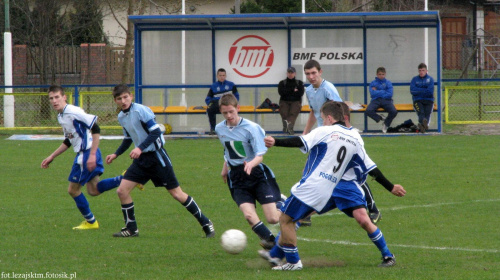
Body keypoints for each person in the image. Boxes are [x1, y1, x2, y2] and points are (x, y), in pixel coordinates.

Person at [261, 101, 406, 270]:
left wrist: (390, 187)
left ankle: (388, 255)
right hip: (329, 185)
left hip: (346, 185)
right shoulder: (344, 135)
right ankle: (276, 254)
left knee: (362, 219)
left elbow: (370, 168)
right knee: (298, 216)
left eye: (323, 118)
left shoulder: (352, 137)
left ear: (333, 118)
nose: (322, 121)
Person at [105, 84, 215, 238]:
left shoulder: (141, 110)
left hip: (157, 157)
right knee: (122, 191)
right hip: (141, 160)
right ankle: (131, 229)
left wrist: (140, 148)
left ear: (131, 96)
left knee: (177, 194)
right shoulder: (121, 117)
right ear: (115, 101)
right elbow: (128, 138)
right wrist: (116, 154)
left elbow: (156, 131)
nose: (123, 101)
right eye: (119, 98)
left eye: (125, 97)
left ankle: (205, 222)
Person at [41, 85, 125, 230]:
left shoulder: (73, 112)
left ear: (64, 97)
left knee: (73, 190)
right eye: (51, 98)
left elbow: (96, 128)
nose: (54, 101)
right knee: (94, 190)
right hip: (87, 153)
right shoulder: (61, 115)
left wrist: (91, 155)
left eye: (57, 97)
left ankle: (91, 222)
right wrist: (52, 156)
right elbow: (69, 140)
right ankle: (127, 179)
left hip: (87, 154)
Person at [215, 93, 283, 249]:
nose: (229, 115)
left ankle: (285, 206)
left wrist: (251, 164)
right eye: (225, 113)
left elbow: (260, 155)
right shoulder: (220, 128)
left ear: (238, 108)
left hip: (257, 173)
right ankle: (272, 243)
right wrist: (225, 167)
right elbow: (227, 149)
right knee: (249, 215)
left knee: (273, 219)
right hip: (237, 177)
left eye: (231, 111)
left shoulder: (251, 128)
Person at [339, 102, 381, 223]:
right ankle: (306, 213)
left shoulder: (354, 135)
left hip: (353, 166)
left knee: (358, 181)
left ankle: (373, 210)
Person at [303, 59, 342, 135]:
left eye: (313, 73)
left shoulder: (328, 88)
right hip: (321, 129)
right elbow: (314, 111)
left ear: (320, 72)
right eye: (307, 74)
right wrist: (305, 132)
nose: (311, 77)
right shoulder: (308, 90)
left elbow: (341, 110)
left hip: (333, 131)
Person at [205, 68, 239, 135]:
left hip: (228, 104)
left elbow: (236, 96)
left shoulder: (231, 85)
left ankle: (233, 128)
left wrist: (234, 103)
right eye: (220, 75)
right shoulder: (214, 86)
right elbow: (208, 98)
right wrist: (210, 103)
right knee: (210, 110)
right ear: (217, 76)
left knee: (231, 111)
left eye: (223, 75)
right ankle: (213, 129)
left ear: (225, 76)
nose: (222, 77)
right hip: (217, 104)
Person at [365, 67, 398, 133]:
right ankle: (380, 117)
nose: (381, 76)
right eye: (380, 74)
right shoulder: (373, 83)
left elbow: (390, 94)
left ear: (385, 74)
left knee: (394, 111)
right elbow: (372, 94)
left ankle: (386, 124)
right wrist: (384, 91)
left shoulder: (388, 83)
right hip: (375, 100)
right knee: (368, 111)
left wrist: (378, 91)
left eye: (383, 74)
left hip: (386, 100)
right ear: (377, 74)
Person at [278, 67, 305, 135]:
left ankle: (290, 127)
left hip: (296, 101)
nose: (290, 74)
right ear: (287, 73)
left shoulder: (299, 83)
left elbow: (300, 93)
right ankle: (286, 125)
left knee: (293, 113)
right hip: (284, 101)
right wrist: (293, 90)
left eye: (292, 73)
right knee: (284, 113)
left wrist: (287, 91)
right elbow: (281, 93)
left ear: (295, 73)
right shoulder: (282, 83)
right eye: (289, 72)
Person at [410, 63, 435, 133]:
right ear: (418, 71)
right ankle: (424, 125)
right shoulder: (414, 79)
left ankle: (422, 126)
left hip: (428, 100)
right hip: (417, 100)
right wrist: (424, 90)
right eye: (420, 70)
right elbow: (412, 91)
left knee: (427, 113)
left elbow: (430, 92)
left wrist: (419, 90)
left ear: (426, 71)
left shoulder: (430, 79)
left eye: (423, 70)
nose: (421, 72)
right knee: (421, 112)